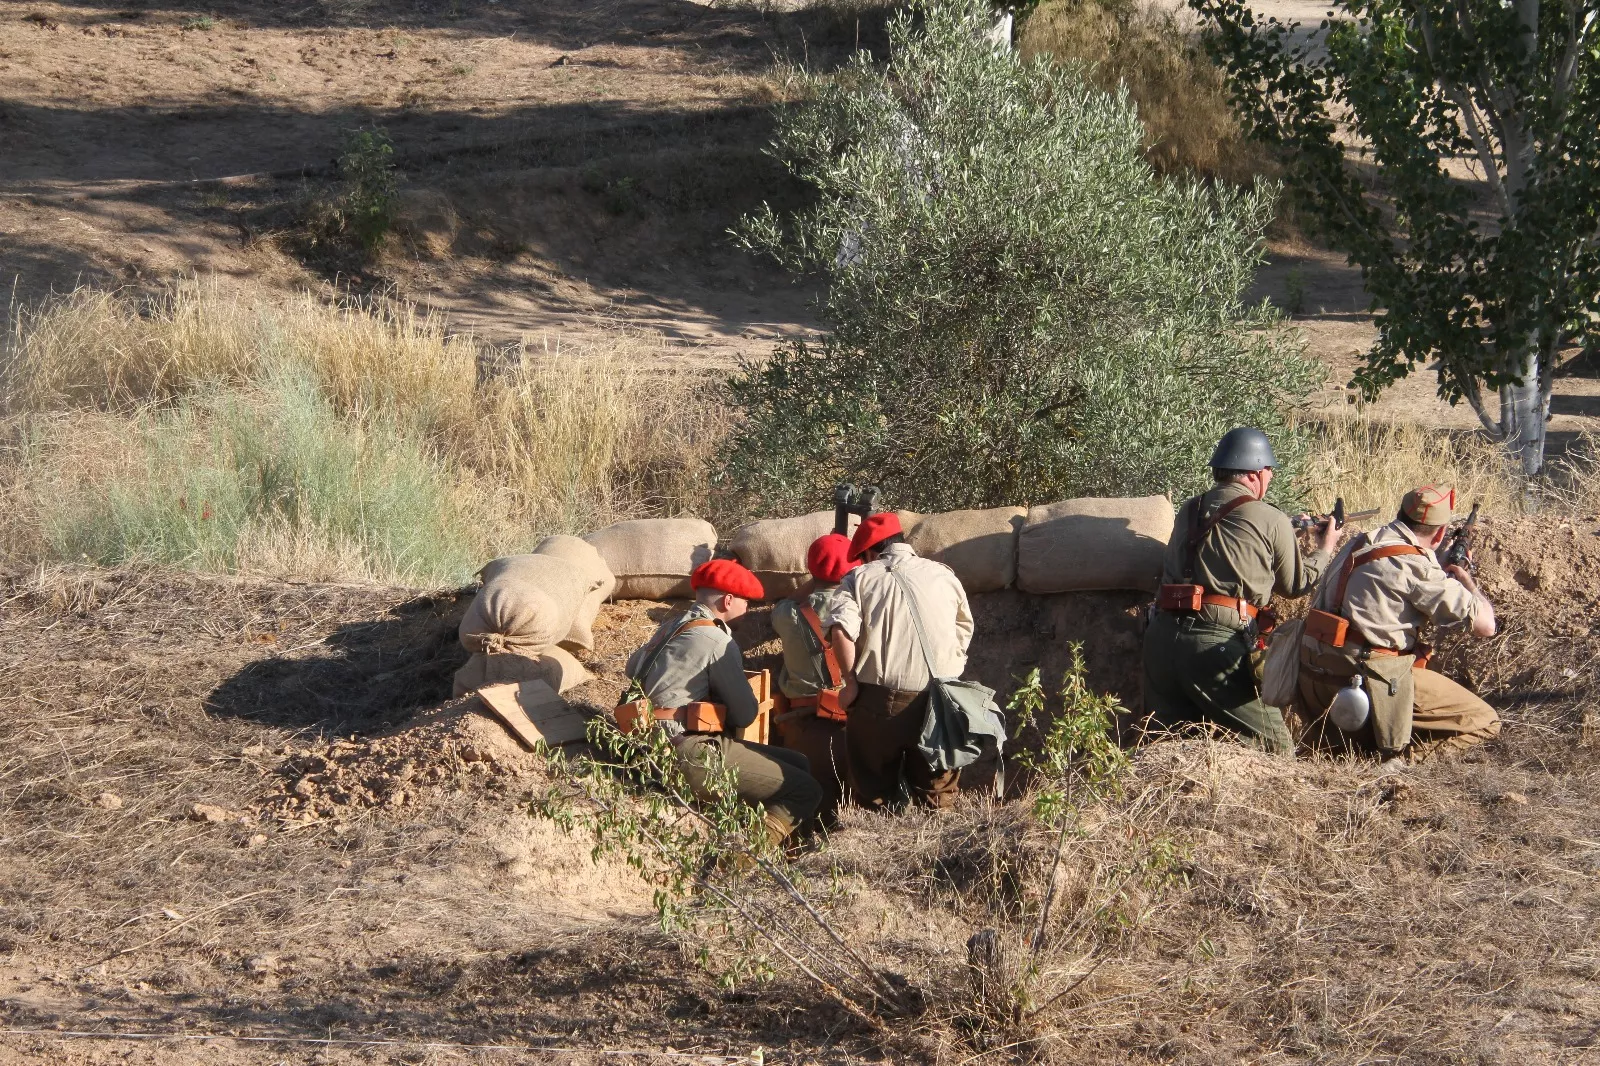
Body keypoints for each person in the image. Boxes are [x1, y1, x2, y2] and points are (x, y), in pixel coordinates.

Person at [1143, 427, 1340, 753]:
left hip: (1160, 640)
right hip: (1215, 647)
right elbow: (1296, 585)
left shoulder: (1189, 510)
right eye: (1268, 471)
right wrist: (1324, 547)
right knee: (1276, 749)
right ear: (1254, 473)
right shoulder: (1270, 517)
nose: (1270, 478)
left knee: (1169, 750)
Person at [623, 558, 822, 845]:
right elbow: (745, 715)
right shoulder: (716, 640)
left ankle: (786, 852)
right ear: (728, 601)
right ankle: (734, 866)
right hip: (686, 751)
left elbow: (632, 668)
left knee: (798, 762)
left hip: (644, 745)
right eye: (747, 603)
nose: (748, 610)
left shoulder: (670, 627)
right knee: (807, 790)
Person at [1297, 484, 1500, 763]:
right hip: (1368, 681)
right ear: (1440, 533)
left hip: (1317, 678)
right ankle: (1400, 761)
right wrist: (1466, 580)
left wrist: (1433, 565)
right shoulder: (1417, 567)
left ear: (1399, 514)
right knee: (1486, 720)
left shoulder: (1360, 542)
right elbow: (1486, 625)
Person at [824, 512, 975, 810]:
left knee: (874, 792)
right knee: (938, 793)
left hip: (882, 702)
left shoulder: (858, 578)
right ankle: (936, 847)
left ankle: (877, 841)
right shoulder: (944, 574)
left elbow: (841, 629)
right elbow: (964, 626)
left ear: (869, 551)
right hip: (942, 701)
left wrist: (850, 682)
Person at [769, 533, 857, 824]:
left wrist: (816, 578)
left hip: (802, 726)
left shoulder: (787, 614)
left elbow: (786, 603)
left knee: (806, 813)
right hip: (854, 724)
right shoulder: (858, 609)